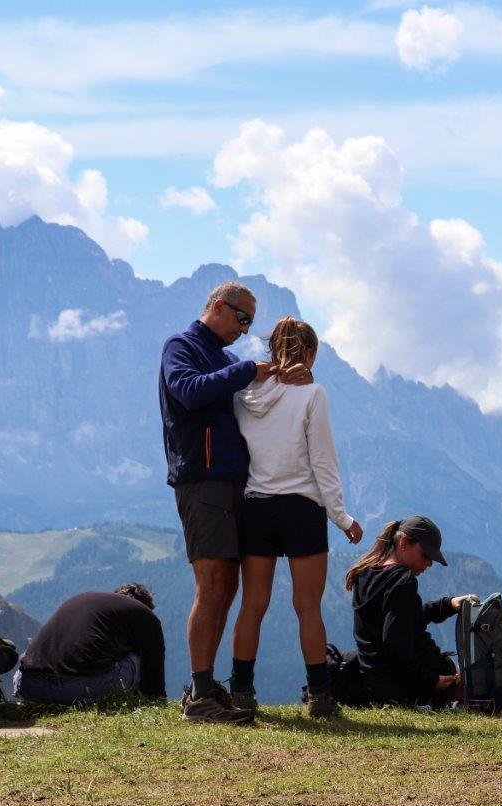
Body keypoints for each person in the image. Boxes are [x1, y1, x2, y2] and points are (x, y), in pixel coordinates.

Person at [160, 280, 311, 724]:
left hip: (230, 484)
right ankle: (200, 695)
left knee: (226, 587)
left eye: (250, 323)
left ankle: (205, 688)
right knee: (211, 586)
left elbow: (254, 400)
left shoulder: (226, 358)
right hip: (202, 480)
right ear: (219, 307)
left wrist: (287, 379)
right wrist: (249, 370)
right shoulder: (181, 345)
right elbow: (188, 390)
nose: (245, 330)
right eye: (242, 319)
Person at [228, 317, 364, 718]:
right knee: (308, 607)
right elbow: (323, 461)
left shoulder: (244, 395)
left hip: (256, 505)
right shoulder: (313, 395)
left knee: (252, 604)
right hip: (301, 507)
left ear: (272, 351)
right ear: (307, 354)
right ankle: (320, 697)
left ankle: (240, 692)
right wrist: (342, 517)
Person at [345, 516, 477, 707]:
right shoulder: (402, 581)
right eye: (425, 555)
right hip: (404, 684)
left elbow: (403, 619)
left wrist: (447, 605)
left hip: (374, 680)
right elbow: (395, 643)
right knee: (469, 681)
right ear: (404, 543)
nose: (429, 563)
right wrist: (431, 680)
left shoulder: (365, 574)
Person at [15, 584, 165, 704]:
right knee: (139, 658)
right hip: (77, 689)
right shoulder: (145, 615)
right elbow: (154, 676)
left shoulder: (84, 599)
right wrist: (156, 698)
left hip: (28, 683)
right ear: (146, 606)